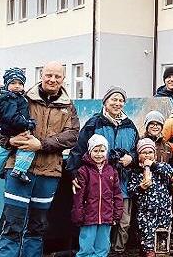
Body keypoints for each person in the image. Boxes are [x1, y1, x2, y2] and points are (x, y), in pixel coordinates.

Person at [0, 61, 80, 257]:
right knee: (12, 226)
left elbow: (72, 135)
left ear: (63, 79)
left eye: (57, 76)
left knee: (36, 229)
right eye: (49, 75)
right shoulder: (22, 99)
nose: (52, 79)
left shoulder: (68, 107)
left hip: (49, 173)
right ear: (42, 76)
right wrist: (10, 140)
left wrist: (41, 144)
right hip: (18, 170)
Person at [66, 86, 138, 255]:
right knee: (92, 223)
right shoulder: (94, 123)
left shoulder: (130, 125)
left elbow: (137, 149)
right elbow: (79, 149)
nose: (118, 103)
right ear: (105, 101)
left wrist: (132, 158)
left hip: (122, 181)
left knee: (121, 222)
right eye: (114, 99)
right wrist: (74, 172)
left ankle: (113, 253)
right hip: (95, 181)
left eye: (121, 100)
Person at [71, 134, 124, 257]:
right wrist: (79, 213)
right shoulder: (83, 171)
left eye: (102, 151)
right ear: (90, 151)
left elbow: (117, 194)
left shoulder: (112, 171)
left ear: (106, 152)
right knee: (86, 246)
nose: (99, 154)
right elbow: (79, 196)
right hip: (88, 216)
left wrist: (117, 213)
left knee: (103, 247)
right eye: (95, 151)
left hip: (106, 216)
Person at [0, 67, 36, 183]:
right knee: (27, 148)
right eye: (13, 83)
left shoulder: (0, 95)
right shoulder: (12, 99)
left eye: (20, 83)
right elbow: (12, 117)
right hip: (15, 129)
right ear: (6, 84)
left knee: (3, 150)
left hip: (5, 130)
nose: (17, 86)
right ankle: (19, 170)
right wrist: (28, 124)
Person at [127, 138, 173, 257]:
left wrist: (153, 165)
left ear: (155, 154)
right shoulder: (136, 172)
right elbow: (131, 191)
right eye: (144, 152)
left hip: (163, 213)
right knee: (148, 242)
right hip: (146, 214)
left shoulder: (161, 167)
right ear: (139, 155)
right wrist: (140, 187)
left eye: (150, 152)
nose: (147, 155)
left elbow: (169, 173)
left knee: (162, 241)